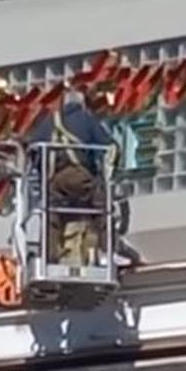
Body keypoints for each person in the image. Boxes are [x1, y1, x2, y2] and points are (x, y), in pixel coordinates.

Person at [27, 89, 142, 268]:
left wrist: (44, 175)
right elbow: (109, 145)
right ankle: (107, 251)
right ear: (81, 104)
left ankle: (48, 257)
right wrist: (109, 172)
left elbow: (32, 150)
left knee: (51, 215)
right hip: (79, 176)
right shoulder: (85, 119)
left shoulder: (48, 122)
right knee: (103, 207)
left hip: (54, 182)